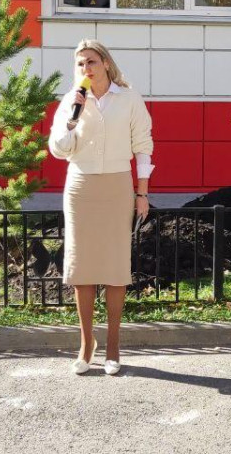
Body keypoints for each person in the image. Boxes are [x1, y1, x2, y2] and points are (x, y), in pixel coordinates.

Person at [49, 39, 153, 377]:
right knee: (83, 267)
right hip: (81, 186)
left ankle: (113, 345)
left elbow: (143, 146)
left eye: (91, 61)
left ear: (106, 63)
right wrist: (72, 119)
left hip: (118, 186)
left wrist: (142, 192)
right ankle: (85, 343)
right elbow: (59, 149)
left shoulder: (129, 98)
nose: (86, 69)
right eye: (80, 63)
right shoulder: (71, 100)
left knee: (114, 266)